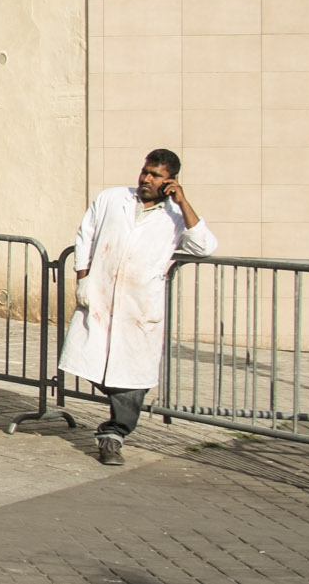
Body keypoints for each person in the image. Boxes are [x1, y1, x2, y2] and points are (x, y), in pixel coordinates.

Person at [59, 148, 217, 466]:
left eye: (155, 175)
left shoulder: (175, 217)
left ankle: (114, 435)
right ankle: (117, 417)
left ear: (171, 180)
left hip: (139, 307)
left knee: (133, 375)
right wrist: (83, 278)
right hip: (102, 296)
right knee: (94, 363)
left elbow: (205, 246)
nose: (146, 179)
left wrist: (183, 203)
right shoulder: (112, 199)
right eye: (145, 171)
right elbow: (85, 236)